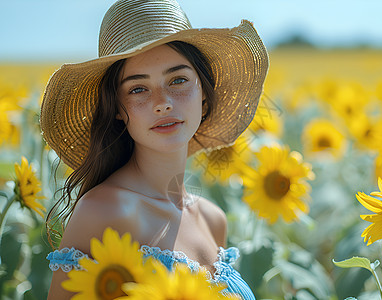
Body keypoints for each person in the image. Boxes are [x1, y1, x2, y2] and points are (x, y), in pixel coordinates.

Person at [41, 0, 268, 299]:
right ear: (118, 109)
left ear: (203, 92)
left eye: (178, 80)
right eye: (138, 88)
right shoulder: (102, 212)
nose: (163, 102)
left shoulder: (214, 220)